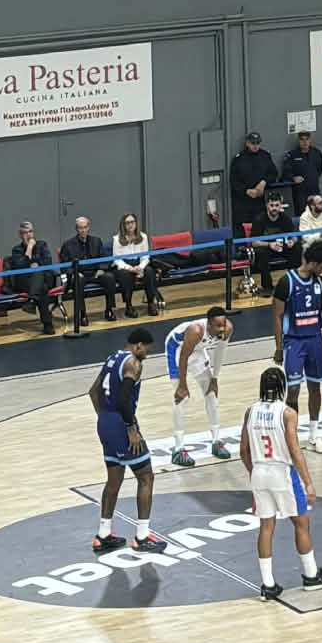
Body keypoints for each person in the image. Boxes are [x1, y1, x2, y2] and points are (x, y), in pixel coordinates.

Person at [241, 364, 322, 601]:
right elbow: (294, 450)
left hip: (259, 471)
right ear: (282, 387)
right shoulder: (287, 413)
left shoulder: (250, 411)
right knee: (301, 522)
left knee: (266, 527)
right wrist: (308, 482)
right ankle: (311, 575)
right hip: (281, 471)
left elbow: (243, 451)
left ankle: (268, 585)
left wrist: (254, 473)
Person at [89, 327, 165, 556]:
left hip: (105, 421)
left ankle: (103, 535)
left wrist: (105, 418)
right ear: (138, 345)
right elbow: (123, 400)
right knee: (146, 476)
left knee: (114, 479)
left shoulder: (113, 358)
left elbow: (93, 391)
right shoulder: (133, 363)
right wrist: (130, 429)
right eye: (147, 350)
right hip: (122, 424)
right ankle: (142, 537)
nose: (147, 355)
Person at [272, 241, 322, 455]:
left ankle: (313, 436)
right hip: (294, 341)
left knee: (315, 387)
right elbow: (276, 316)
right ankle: (291, 437)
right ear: (313, 262)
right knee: (293, 390)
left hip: (315, 340)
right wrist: (278, 347)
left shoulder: (320, 283)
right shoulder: (286, 282)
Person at [166, 306, 234, 465]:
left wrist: (215, 378)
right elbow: (183, 357)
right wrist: (182, 385)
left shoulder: (228, 329)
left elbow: (220, 352)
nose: (222, 328)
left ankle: (216, 441)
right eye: (218, 326)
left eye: (223, 324)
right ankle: (178, 449)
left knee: (212, 393)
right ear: (209, 324)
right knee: (181, 398)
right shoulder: (196, 330)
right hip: (177, 350)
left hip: (197, 350)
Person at [59, 216, 118, 323]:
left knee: (109, 277)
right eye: (80, 228)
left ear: (88, 227)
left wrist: (101, 269)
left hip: (95, 273)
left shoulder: (96, 241)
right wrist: (75, 273)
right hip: (79, 274)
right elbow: (64, 265)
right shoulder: (68, 245)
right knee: (78, 281)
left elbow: (103, 258)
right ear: (76, 229)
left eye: (85, 227)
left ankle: (109, 310)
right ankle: (82, 314)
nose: (83, 230)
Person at [3, 220, 57, 334]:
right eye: (25, 232)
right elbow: (20, 266)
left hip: (45, 278)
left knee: (39, 275)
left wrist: (36, 264)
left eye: (30, 232)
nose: (29, 235)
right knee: (42, 289)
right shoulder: (16, 250)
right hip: (26, 282)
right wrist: (30, 248)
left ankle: (32, 300)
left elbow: (47, 262)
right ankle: (47, 324)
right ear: (20, 235)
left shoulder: (42, 245)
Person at [111, 213, 161, 318]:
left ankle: (151, 303)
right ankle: (128, 306)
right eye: (127, 223)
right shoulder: (117, 239)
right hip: (124, 265)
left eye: (132, 222)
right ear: (123, 225)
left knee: (149, 271)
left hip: (139, 263)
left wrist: (140, 267)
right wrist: (130, 268)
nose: (130, 225)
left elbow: (145, 257)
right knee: (126, 275)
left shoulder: (143, 237)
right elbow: (117, 260)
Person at [230, 131, 277, 227]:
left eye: (257, 143)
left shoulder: (265, 156)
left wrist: (264, 182)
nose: (255, 146)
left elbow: (273, 173)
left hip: (261, 200)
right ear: (247, 143)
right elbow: (234, 180)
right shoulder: (239, 159)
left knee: (261, 226)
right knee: (244, 228)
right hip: (244, 201)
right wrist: (246, 191)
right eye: (253, 143)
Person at [280, 130, 322, 215]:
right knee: (302, 214)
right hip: (300, 191)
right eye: (302, 139)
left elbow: (320, 169)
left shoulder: (316, 153)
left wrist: (313, 177)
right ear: (298, 140)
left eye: (307, 139)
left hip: (314, 189)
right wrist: (293, 178)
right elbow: (286, 172)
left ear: (310, 140)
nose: (305, 142)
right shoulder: (292, 155)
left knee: (318, 213)